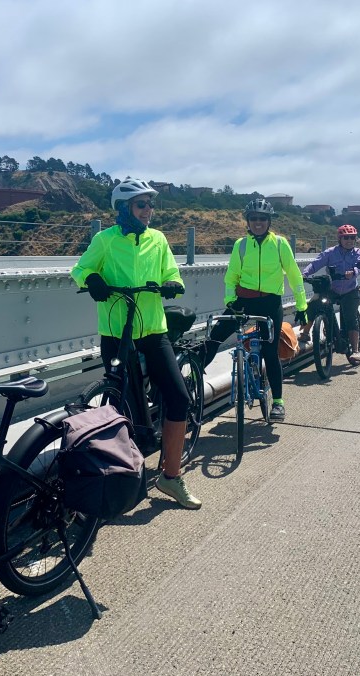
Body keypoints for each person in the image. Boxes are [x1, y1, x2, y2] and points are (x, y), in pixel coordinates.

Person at [70, 178, 200, 510]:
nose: (148, 210)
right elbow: (80, 269)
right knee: (123, 406)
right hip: (117, 332)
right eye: (142, 204)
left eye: (150, 204)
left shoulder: (158, 239)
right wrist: (92, 279)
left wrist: (172, 283)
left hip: (153, 330)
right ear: (125, 208)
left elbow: (173, 273)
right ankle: (120, 475)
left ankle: (171, 476)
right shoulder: (105, 240)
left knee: (179, 397)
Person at [203, 198, 308, 422]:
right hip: (244, 301)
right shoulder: (240, 245)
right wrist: (230, 301)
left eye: (262, 218)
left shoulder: (279, 244)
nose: (258, 222)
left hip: (270, 303)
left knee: (270, 351)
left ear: (269, 221)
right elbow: (232, 276)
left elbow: (294, 275)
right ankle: (190, 380)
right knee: (214, 338)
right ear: (248, 221)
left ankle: (278, 402)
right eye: (253, 218)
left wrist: (301, 306)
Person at [300, 224, 360, 365]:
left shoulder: (357, 252)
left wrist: (353, 272)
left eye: (352, 238)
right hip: (333, 290)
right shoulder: (330, 253)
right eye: (346, 238)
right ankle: (305, 333)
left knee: (350, 317)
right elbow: (316, 264)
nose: (349, 240)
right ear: (339, 239)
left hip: (350, 290)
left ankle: (355, 350)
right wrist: (304, 274)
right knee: (315, 304)